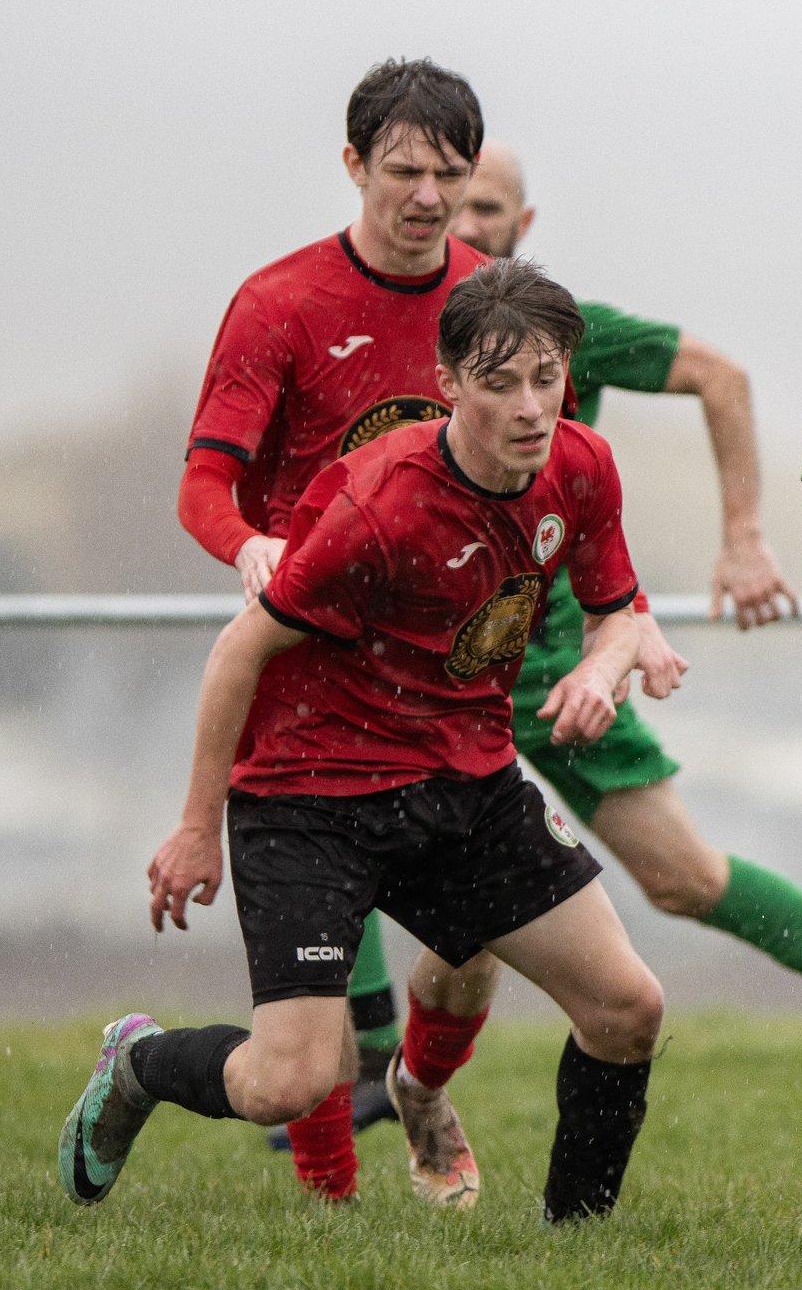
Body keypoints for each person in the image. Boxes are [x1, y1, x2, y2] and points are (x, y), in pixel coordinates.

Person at [64, 260, 667, 1226]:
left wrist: (603, 669)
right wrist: (194, 828)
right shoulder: (378, 506)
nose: (528, 408)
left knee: (627, 1010)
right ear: (448, 381)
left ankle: (575, 1241)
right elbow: (239, 650)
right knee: (288, 1082)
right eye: (499, 382)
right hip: (312, 796)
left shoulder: (582, 466)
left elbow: (616, 612)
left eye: (545, 380)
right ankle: (136, 1061)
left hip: (464, 785)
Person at [405, 143, 802, 1148]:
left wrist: (744, 538)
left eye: (487, 207)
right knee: (441, 901)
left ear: (521, 225)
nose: (465, 222)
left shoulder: (557, 323)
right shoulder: (382, 327)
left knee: (682, 877)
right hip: (421, 675)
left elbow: (721, 375)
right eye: (452, 202)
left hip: (553, 662)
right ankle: (385, 1079)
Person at [177, 57, 491, 1197]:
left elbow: (541, 466)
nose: (425, 197)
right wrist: (249, 545)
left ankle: (420, 1091)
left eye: (448, 176)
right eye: (402, 171)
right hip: (307, 671)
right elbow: (204, 488)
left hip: (448, 672)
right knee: (317, 969)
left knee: (480, 936)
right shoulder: (281, 304)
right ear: (354, 165)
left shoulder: (486, 300)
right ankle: (327, 1199)